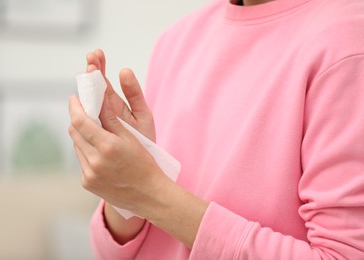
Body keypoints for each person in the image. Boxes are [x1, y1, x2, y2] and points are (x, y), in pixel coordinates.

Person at [68, 0, 364, 258]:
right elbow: (108, 250)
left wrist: (150, 194)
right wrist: (125, 188)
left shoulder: (347, 46)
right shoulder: (176, 40)